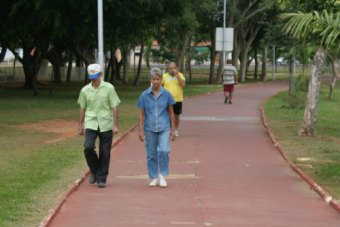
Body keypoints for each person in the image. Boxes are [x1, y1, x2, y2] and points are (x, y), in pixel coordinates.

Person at [77, 63, 120, 188]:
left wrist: (115, 125)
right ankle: (94, 171)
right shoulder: (85, 90)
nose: (94, 79)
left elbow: (114, 106)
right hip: (91, 122)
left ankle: (101, 178)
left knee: (105, 152)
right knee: (88, 147)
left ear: (101, 75)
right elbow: (82, 108)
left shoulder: (109, 88)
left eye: (96, 76)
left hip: (106, 123)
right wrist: (80, 125)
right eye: (92, 77)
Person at [137, 67, 176, 188]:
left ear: (160, 80)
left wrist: (173, 129)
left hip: (164, 127)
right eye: (153, 79)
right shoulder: (144, 95)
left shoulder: (167, 94)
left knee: (164, 150)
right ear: (150, 80)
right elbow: (141, 113)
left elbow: (171, 112)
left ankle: (162, 175)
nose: (155, 81)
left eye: (158, 79)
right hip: (149, 128)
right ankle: (153, 177)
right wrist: (140, 129)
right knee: (151, 154)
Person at [162, 62, 185, 137]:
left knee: (176, 115)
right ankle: (168, 130)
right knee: (167, 115)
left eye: (174, 68)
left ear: (176, 68)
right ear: (168, 69)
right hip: (166, 100)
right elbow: (160, 86)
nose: (172, 70)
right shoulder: (164, 76)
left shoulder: (180, 75)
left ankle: (175, 129)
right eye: (170, 68)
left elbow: (183, 84)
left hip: (177, 99)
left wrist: (177, 75)